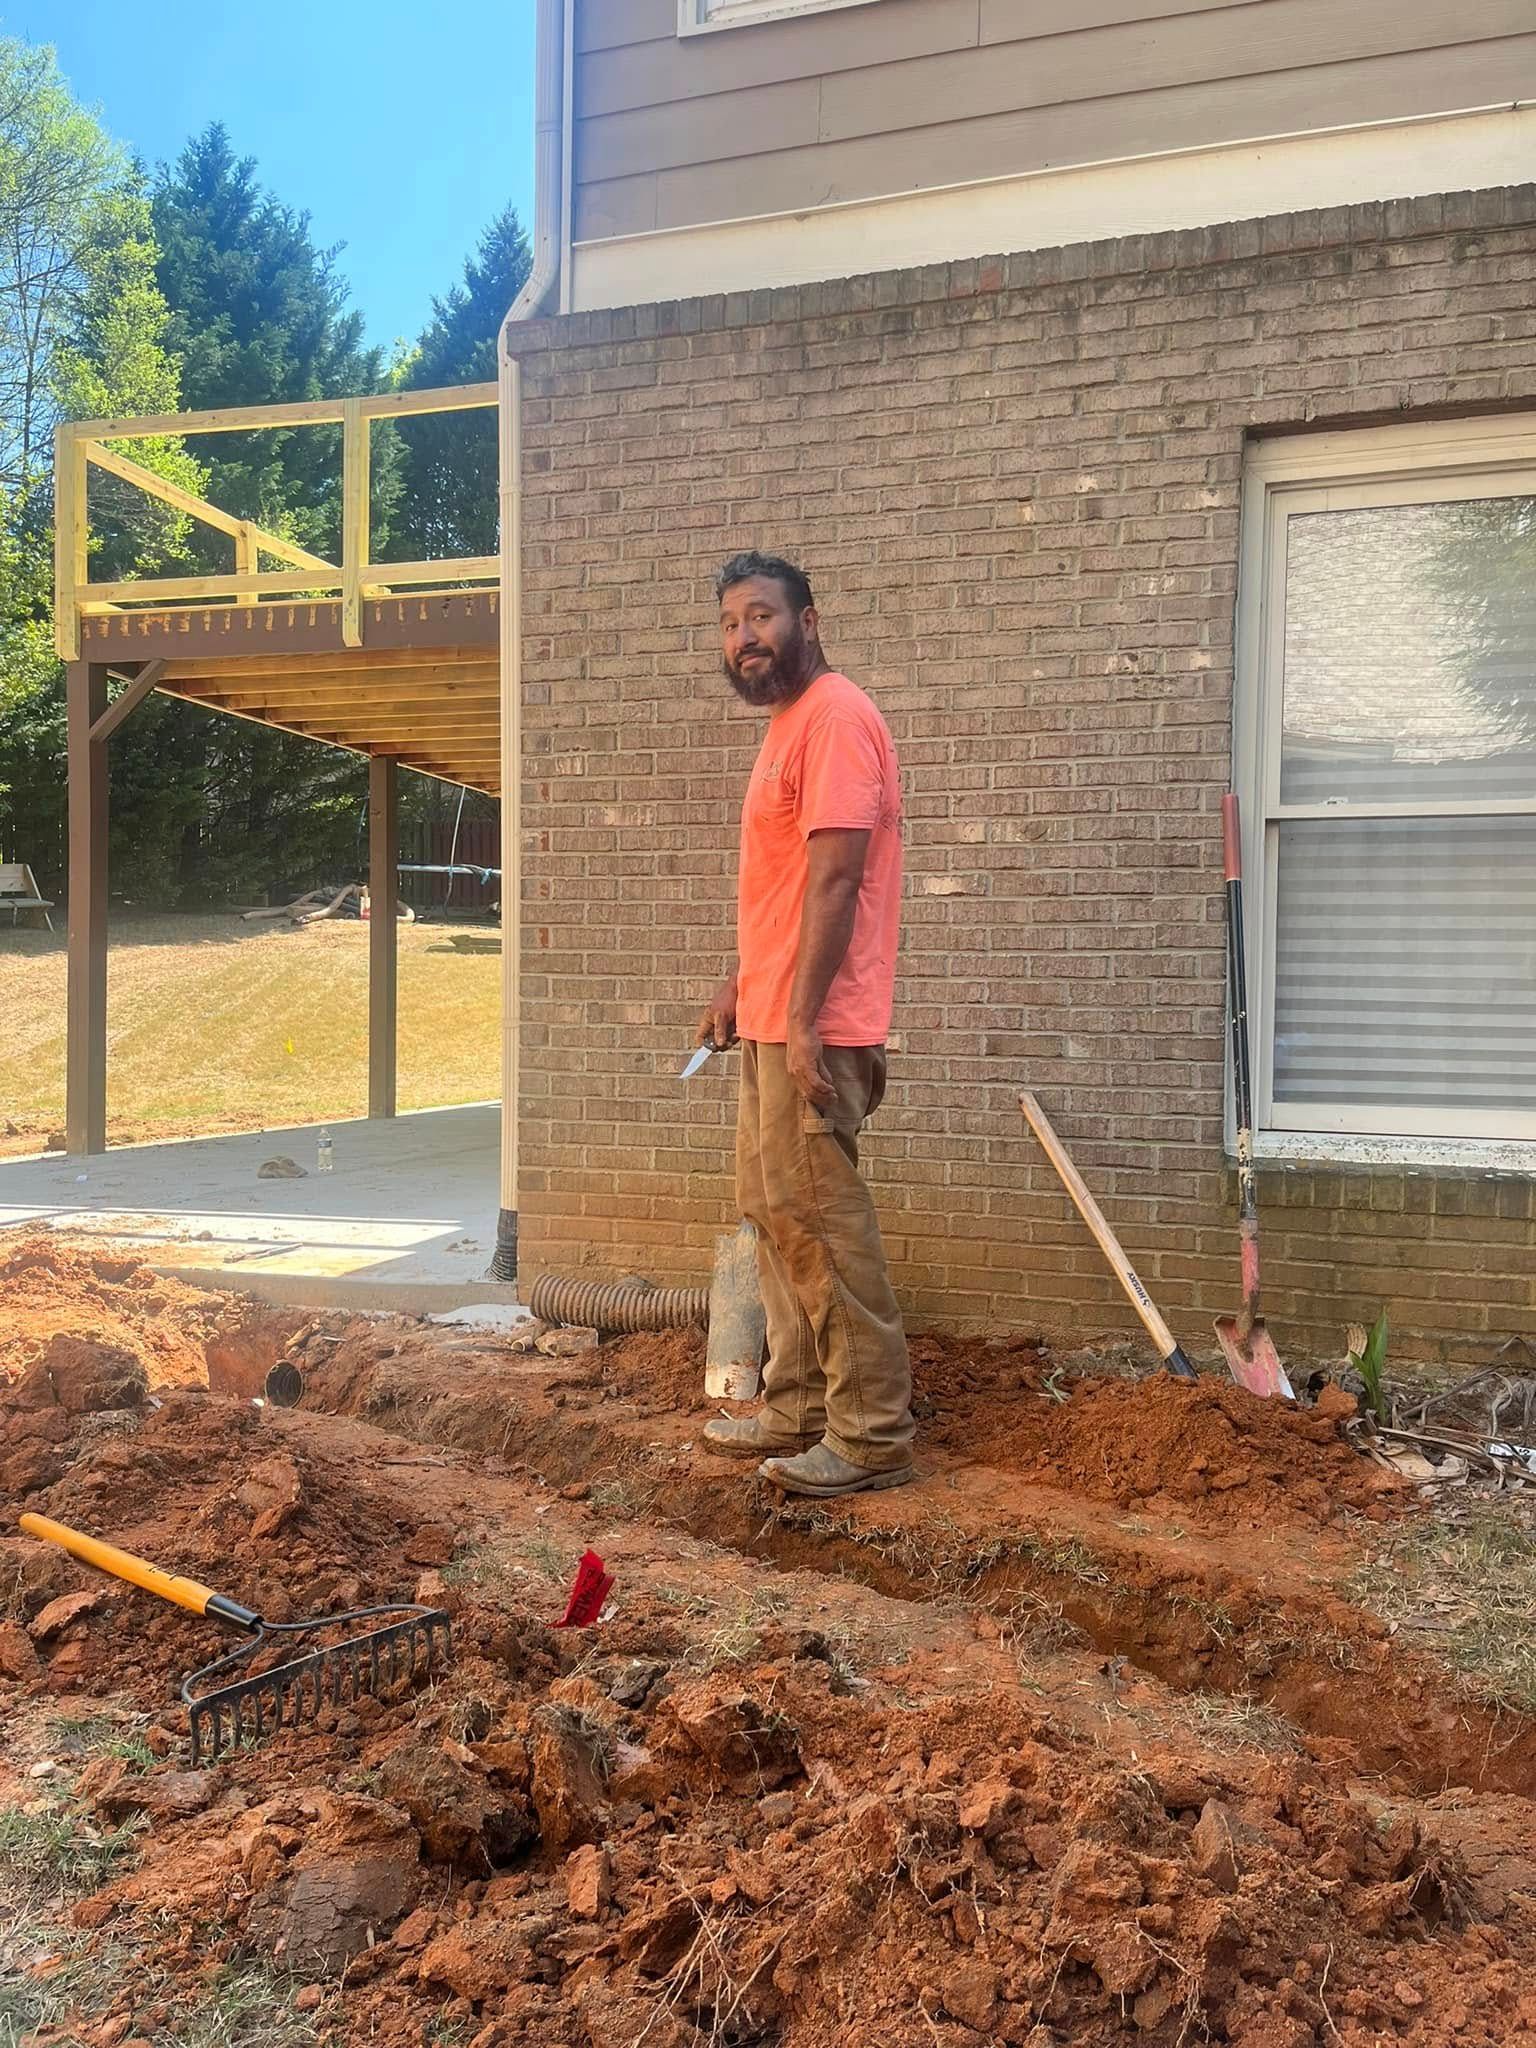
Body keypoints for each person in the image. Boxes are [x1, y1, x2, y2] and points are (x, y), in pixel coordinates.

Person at [697, 550, 915, 1498]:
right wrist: (740, 987)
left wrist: (803, 1018)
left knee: (822, 1222)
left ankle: (869, 1435)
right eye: (730, 624)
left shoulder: (835, 718)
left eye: (762, 617)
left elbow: (836, 878)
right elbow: (786, 887)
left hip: (811, 1026)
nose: (745, 638)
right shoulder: (788, 725)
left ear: (809, 621)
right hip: (774, 1016)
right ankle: (796, 1404)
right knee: (776, 1212)